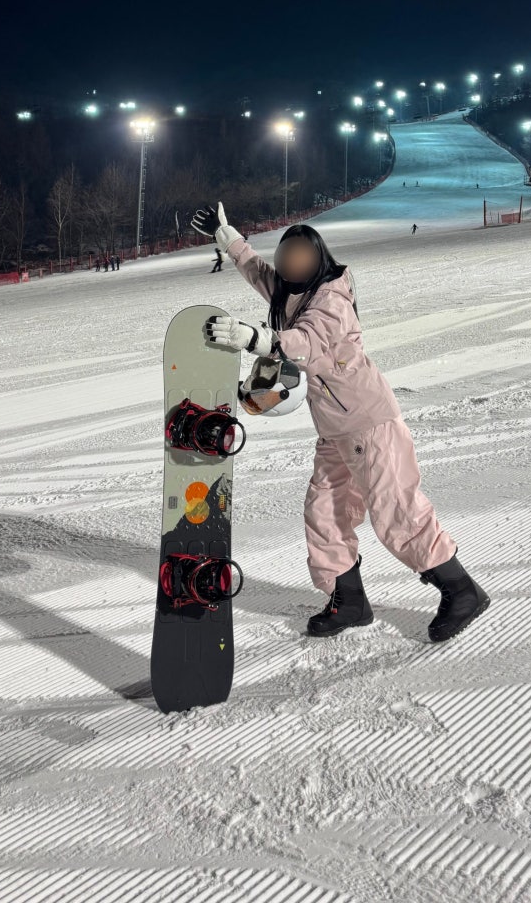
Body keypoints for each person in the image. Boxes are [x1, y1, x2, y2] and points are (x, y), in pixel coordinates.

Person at [191, 202, 490, 642]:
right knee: (325, 512)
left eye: (302, 258)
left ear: (320, 260)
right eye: (287, 257)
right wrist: (227, 237)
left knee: (396, 512)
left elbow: (307, 341)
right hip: (335, 430)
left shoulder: (331, 299)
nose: (292, 266)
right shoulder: (292, 292)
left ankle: (462, 590)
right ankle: (348, 600)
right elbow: (258, 271)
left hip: (369, 424)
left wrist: (255, 338)